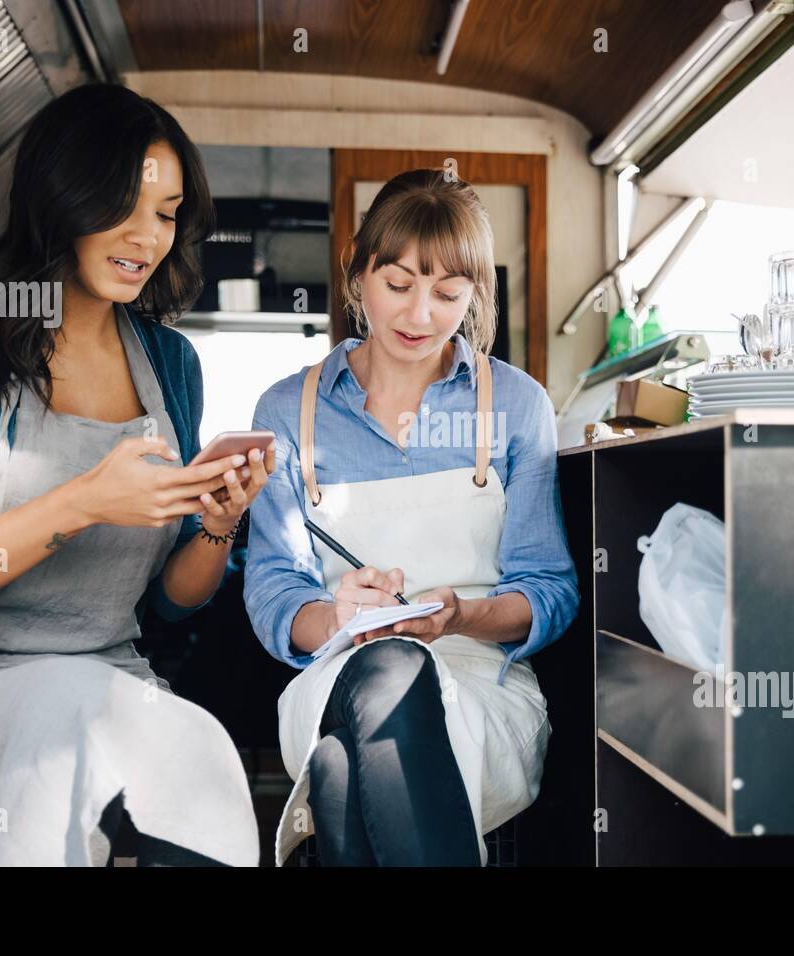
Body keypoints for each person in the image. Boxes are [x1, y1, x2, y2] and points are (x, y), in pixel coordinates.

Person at [0, 84, 268, 866]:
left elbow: (170, 604)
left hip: (112, 680)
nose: (148, 235)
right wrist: (83, 502)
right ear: (61, 196)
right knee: (68, 724)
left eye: (168, 213)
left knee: (206, 760)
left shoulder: (171, 365)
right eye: (123, 205)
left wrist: (217, 519)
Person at [244, 169, 579, 866]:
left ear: (475, 296)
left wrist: (456, 615)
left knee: (337, 776)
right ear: (358, 274)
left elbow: (549, 590)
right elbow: (274, 589)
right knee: (384, 666)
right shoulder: (288, 412)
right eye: (397, 285)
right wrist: (339, 618)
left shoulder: (516, 406)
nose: (420, 315)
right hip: (336, 672)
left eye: (448, 293)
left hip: (479, 684)